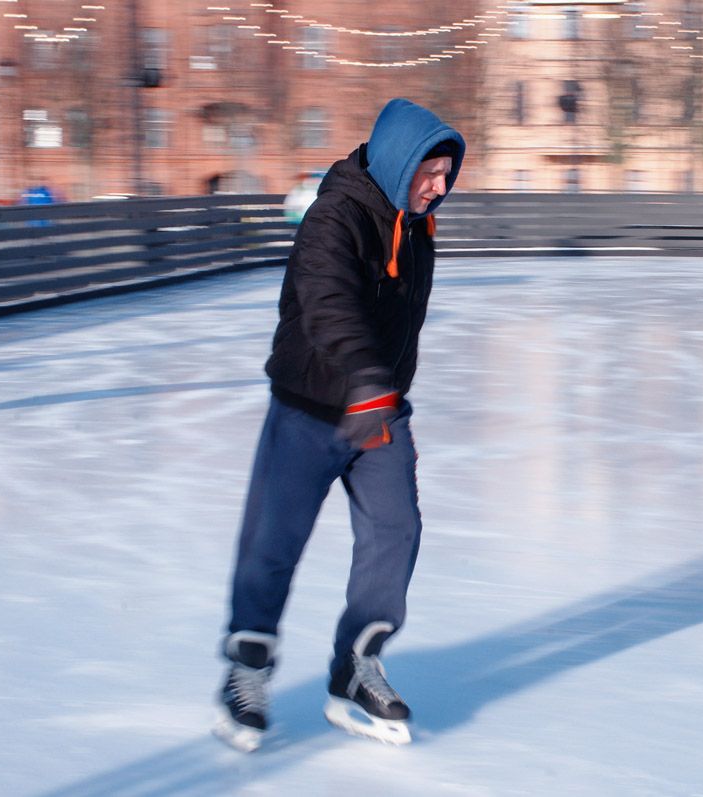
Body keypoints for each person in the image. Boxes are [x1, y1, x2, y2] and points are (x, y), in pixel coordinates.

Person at [214, 98, 465, 752]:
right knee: (273, 541)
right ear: (397, 161)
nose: (440, 187)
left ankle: (356, 663)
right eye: (429, 172)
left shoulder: (415, 225)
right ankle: (246, 669)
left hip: (378, 408)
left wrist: (382, 388)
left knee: (396, 530)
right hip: (310, 404)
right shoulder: (334, 217)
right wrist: (364, 375)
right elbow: (326, 303)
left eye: (446, 174)